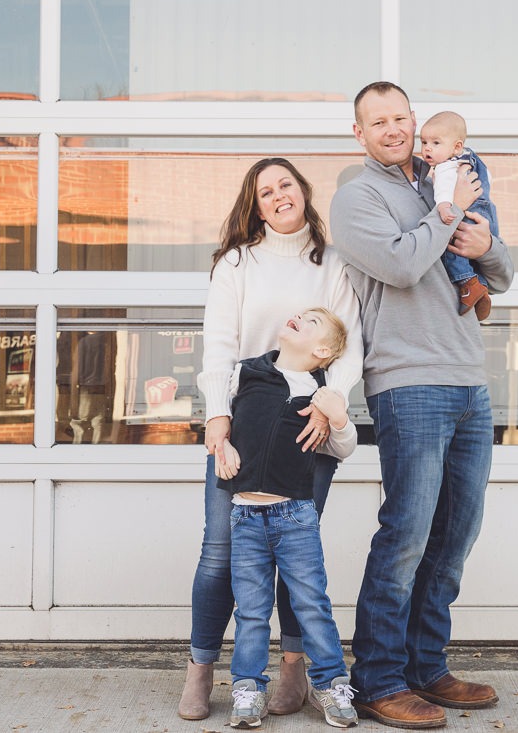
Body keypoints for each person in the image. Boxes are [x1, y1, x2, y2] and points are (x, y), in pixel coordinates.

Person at [330, 82, 515, 729]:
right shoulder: (357, 195)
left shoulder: (441, 178)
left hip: (469, 376)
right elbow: (401, 264)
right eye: (376, 121)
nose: (392, 128)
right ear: (359, 132)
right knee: (406, 533)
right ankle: (378, 679)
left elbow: (502, 272)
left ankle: (425, 666)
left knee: (455, 533)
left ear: (414, 119)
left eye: (400, 116)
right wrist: (445, 216)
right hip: (408, 380)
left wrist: (482, 241)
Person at [179, 158, 364, 722]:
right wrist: (216, 418)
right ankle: (202, 669)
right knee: (220, 555)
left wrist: (336, 399)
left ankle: (293, 673)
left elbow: (349, 342)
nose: (279, 195)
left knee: (296, 559)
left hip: (306, 428)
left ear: (302, 191)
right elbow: (219, 343)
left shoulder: (332, 263)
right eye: (266, 191)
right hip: (242, 427)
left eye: (286, 183)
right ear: (254, 205)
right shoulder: (237, 262)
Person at [216, 308, 360, 729]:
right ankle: (247, 687)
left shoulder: (320, 391)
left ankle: (332, 683)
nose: (300, 317)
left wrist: (338, 416)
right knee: (252, 610)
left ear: (322, 350)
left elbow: (343, 447)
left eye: (313, 320)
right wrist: (222, 447)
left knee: (312, 604)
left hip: (295, 516)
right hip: (244, 516)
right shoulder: (245, 374)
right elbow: (217, 422)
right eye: (301, 314)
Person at [418, 110, 500, 321]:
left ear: (456, 146)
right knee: (474, 252)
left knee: (450, 247)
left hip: (465, 215)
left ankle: (468, 283)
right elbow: (488, 178)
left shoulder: (445, 166)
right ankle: (480, 284)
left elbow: (444, 191)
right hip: (485, 215)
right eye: (424, 142)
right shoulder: (472, 160)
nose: (427, 148)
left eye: (436, 143)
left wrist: (446, 207)